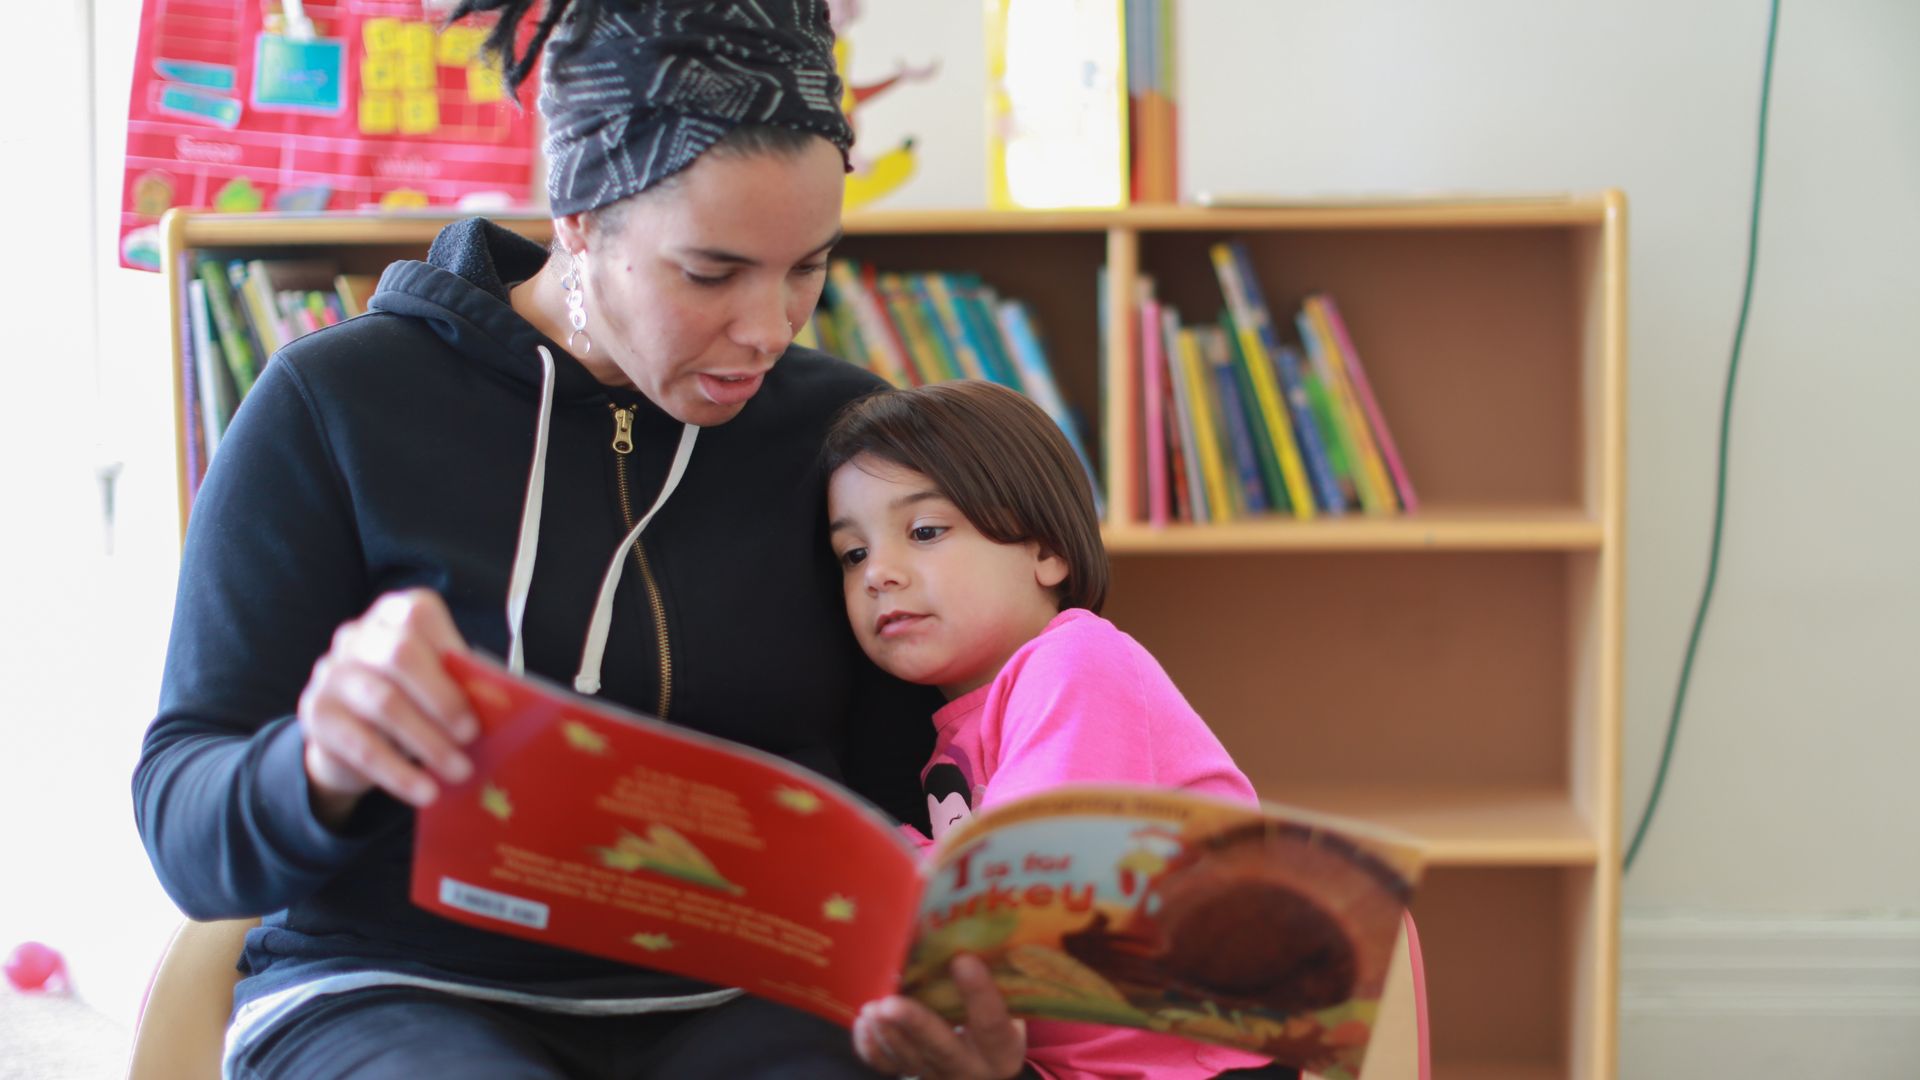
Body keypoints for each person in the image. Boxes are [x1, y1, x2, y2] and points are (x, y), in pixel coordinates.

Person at [132, 1, 940, 1076]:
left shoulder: (845, 434)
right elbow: (186, 828)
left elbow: (910, 790)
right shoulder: (337, 403)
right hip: (396, 991)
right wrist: (317, 762)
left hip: (757, 996)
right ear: (579, 220)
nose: (769, 329)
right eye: (710, 273)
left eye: (808, 267)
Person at [823, 381, 1287, 1080]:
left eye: (924, 532)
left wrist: (863, 854)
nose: (878, 574)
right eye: (852, 554)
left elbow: (1016, 885)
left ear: (1046, 549)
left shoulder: (1078, 660)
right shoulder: (953, 730)